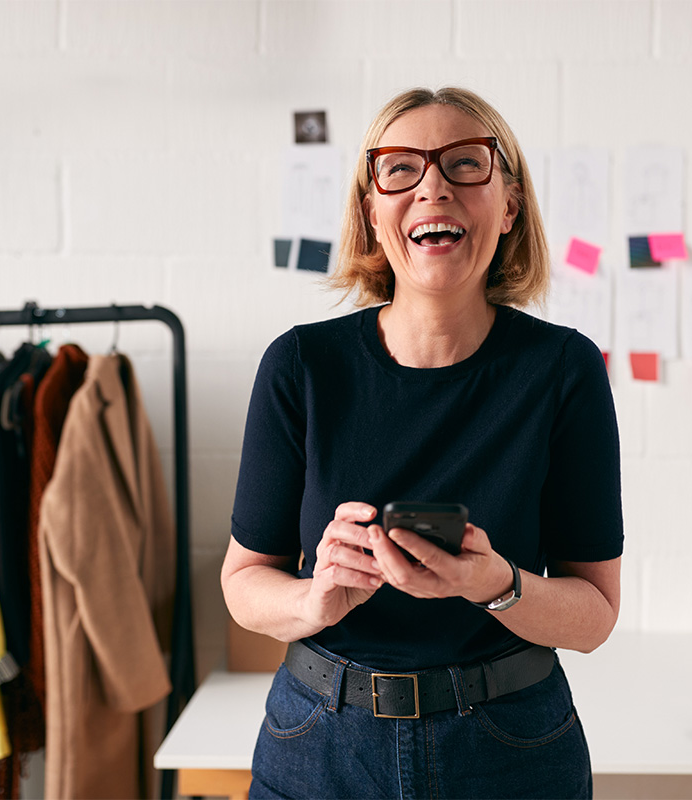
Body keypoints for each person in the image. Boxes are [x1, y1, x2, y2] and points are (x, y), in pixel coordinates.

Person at [222, 86, 623, 800]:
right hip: (321, 743)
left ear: (509, 205)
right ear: (371, 213)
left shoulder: (564, 369)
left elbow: (594, 616)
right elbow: (244, 581)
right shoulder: (300, 366)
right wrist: (317, 601)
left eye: (466, 164)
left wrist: (492, 584)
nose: (433, 185)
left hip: (511, 747)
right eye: (400, 168)